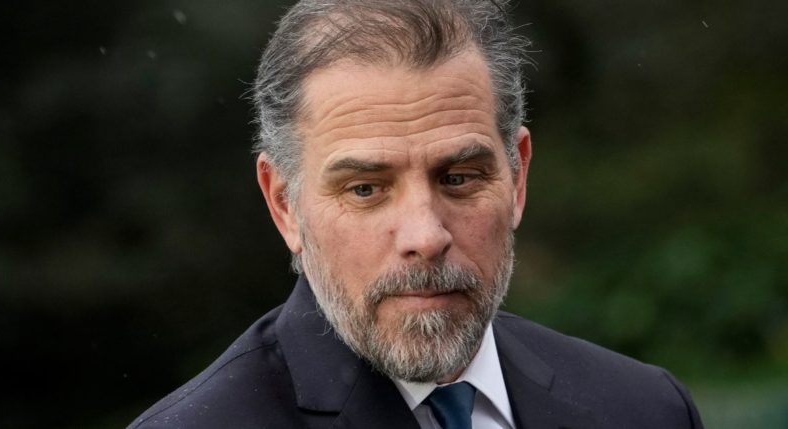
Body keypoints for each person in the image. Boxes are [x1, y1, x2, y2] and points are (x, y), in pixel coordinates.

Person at [129, 0, 704, 428]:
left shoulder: (646, 409)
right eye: (365, 189)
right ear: (284, 203)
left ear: (518, 176)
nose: (426, 236)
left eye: (458, 178)